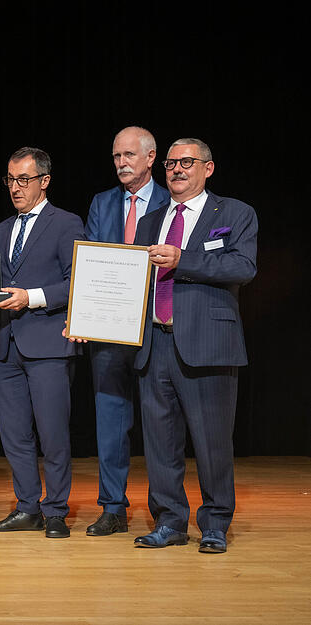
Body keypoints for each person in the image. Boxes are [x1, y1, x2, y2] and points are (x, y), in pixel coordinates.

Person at [132, 138, 257, 554]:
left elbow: (242, 266)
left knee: (212, 441)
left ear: (208, 168)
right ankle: (169, 522)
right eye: (170, 163)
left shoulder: (234, 213)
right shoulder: (150, 221)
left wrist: (181, 258)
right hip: (154, 344)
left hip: (208, 343)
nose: (177, 169)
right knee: (160, 444)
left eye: (187, 162)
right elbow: (132, 281)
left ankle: (216, 524)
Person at [0, 147, 84, 538]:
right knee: (14, 435)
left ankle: (57, 510)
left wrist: (32, 296)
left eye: (23, 180)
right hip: (7, 344)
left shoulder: (66, 223)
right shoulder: (1, 229)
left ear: (44, 181)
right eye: (11, 180)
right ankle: (27, 506)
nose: (15, 187)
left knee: (52, 434)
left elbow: (75, 281)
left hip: (48, 343)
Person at [83, 126, 170, 536]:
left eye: (129, 155)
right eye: (116, 156)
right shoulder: (102, 203)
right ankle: (113, 507)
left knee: (160, 425)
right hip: (109, 330)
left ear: (151, 158)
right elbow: (94, 261)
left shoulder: (173, 201)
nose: (121, 163)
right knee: (111, 423)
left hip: (158, 328)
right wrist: (83, 315)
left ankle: (164, 512)